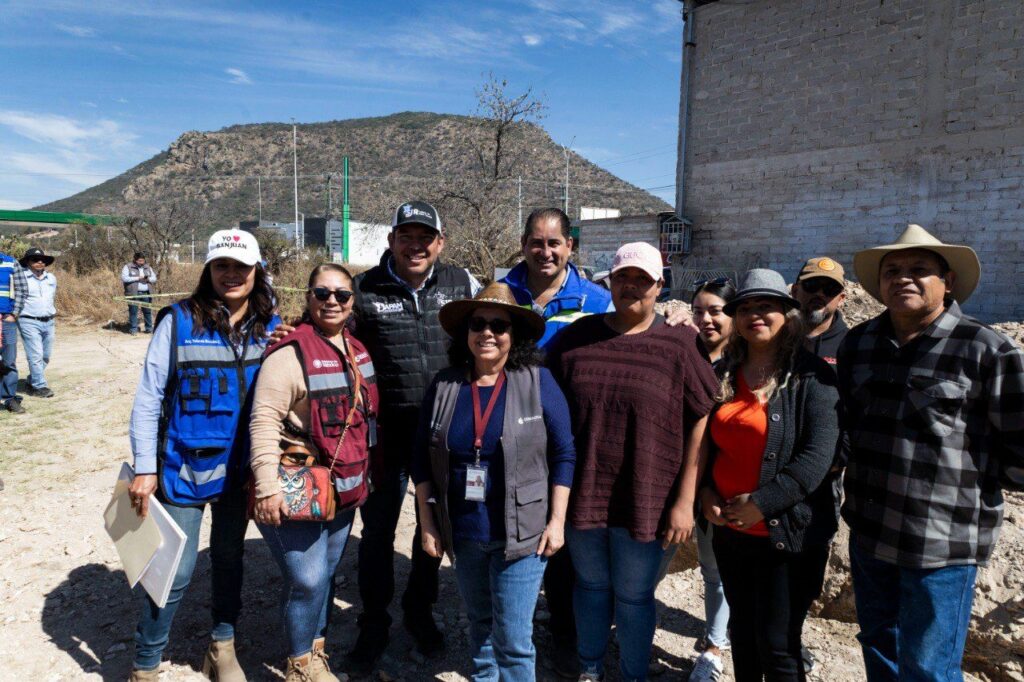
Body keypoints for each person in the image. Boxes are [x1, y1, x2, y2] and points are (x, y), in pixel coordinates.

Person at [840, 224, 1024, 681]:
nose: (903, 278)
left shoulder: (986, 349)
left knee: (929, 668)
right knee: (879, 646)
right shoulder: (859, 344)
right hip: (870, 533)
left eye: (920, 269)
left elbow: (1019, 449)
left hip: (942, 545)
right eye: (893, 270)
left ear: (949, 282)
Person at [547, 242, 719, 682]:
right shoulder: (577, 337)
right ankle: (589, 667)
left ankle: (632, 674)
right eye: (623, 277)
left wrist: (685, 500)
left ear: (660, 287)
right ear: (610, 282)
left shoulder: (680, 343)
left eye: (642, 280)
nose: (631, 287)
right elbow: (543, 400)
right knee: (590, 587)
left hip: (647, 495)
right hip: (583, 490)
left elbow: (702, 418)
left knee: (635, 596)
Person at [126, 229, 279, 681]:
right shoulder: (176, 321)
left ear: (257, 272)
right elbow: (148, 399)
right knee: (173, 569)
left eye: (241, 267)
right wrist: (145, 469)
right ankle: (146, 664)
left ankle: (222, 646)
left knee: (230, 558)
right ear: (208, 270)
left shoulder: (272, 326)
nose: (231, 274)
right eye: (221, 266)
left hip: (240, 470)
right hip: (182, 468)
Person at [412, 282, 576, 681]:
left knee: (515, 640)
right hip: (465, 531)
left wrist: (557, 522)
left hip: (522, 535)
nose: (487, 333)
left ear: (513, 336)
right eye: (478, 324)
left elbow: (564, 453)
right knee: (481, 627)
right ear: (466, 333)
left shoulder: (537, 381)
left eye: (499, 326)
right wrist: (429, 525)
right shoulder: (446, 385)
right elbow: (421, 459)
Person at [347, 200, 481, 670]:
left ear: (440, 243)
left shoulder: (462, 284)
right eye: (407, 236)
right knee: (378, 531)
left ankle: (419, 611)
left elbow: (493, 332)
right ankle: (374, 622)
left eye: (425, 237)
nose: (416, 245)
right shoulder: (362, 290)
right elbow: (328, 338)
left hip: (443, 434)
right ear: (391, 242)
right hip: (384, 436)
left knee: (435, 528)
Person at [697, 269, 839, 682]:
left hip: (788, 534)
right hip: (730, 530)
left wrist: (762, 504)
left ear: (787, 314)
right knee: (741, 630)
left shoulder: (813, 376)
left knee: (778, 644)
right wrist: (706, 492)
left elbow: (818, 456)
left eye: (767, 307)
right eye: (746, 308)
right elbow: (706, 446)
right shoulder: (723, 371)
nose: (755, 315)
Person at [249, 263, 379, 681]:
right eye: (322, 293)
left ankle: (315, 650)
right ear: (308, 297)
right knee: (307, 579)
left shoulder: (357, 348)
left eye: (342, 294)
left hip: (345, 485)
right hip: (298, 483)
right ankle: (300, 664)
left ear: (352, 302)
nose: (332, 302)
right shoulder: (289, 352)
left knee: (324, 574)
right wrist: (267, 487)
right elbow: (264, 420)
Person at [499, 207, 611, 676]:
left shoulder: (597, 299)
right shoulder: (503, 293)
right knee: (510, 523)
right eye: (536, 242)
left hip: (573, 432)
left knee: (562, 534)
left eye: (554, 243)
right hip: (511, 431)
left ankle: (564, 632)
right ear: (523, 244)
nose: (545, 251)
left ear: (571, 247)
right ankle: (510, 629)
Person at [685, 277, 737, 682]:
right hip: (678, 480)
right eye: (699, 310)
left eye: (716, 311)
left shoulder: (743, 366)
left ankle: (715, 646)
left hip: (721, 486)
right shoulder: (681, 353)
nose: (706, 319)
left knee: (714, 569)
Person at [791, 257, 848, 368]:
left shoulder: (852, 344)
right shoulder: (776, 338)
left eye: (830, 289)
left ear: (841, 299)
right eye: (812, 285)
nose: (820, 294)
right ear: (795, 291)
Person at [17, 247, 58, 398]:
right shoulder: (20, 277)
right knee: (35, 355)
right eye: (35, 259)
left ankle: (32, 379)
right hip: (28, 320)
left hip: (49, 321)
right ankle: (39, 387)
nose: (40, 262)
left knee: (46, 355)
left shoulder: (51, 278)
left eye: (43, 260)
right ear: (27, 262)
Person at [0, 248, 28, 414]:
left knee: (8, 360)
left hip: (7, 320)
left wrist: (14, 314)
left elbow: (22, 290)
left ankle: (9, 398)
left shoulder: (11, 262)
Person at [122, 252, 158, 335]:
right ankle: (133, 329)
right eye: (139, 261)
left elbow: (154, 278)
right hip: (133, 293)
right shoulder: (128, 267)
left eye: (143, 260)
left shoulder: (148, 267)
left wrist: (148, 279)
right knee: (133, 311)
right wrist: (137, 278)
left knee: (147, 311)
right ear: (135, 260)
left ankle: (149, 328)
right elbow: (124, 278)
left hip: (146, 293)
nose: (141, 262)